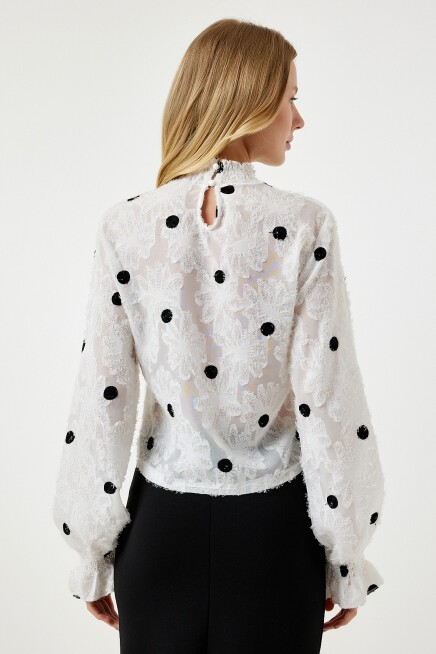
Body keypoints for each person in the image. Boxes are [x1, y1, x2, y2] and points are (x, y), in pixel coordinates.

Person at [52, 17, 385, 654]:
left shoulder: (125, 227)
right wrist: (347, 555)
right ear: (249, 100)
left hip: (158, 531)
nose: (298, 119)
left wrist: (91, 551)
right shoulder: (306, 225)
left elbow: (102, 399)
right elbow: (328, 400)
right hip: (274, 534)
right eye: (290, 98)